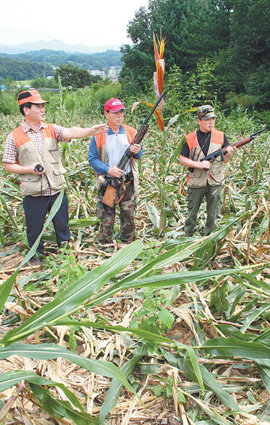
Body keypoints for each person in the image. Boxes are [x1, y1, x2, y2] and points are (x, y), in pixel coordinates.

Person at [2, 89, 108, 260]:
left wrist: (90, 131)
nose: (43, 109)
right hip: (34, 193)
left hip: (56, 190)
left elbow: (70, 132)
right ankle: (37, 259)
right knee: (34, 230)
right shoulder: (14, 136)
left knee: (62, 227)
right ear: (26, 110)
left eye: (43, 106)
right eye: (38, 106)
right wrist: (29, 168)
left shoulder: (51, 129)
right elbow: (8, 165)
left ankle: (65, 257)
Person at [88, 97, 143, 249]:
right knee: (106, 216)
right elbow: (92, 159)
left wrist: (137, 151)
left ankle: (127, 244)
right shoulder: (99, 134)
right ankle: (105, 245)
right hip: (109, 181)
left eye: (122, 112)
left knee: (129, 215)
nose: (120, 116)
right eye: (115, 113)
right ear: (106, 114)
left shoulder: (131, 132)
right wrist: (108, 169)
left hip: (128, 181)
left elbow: (139, 154)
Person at [180, 104, 236, 236]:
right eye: (207, 119)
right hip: (196, 181)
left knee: (213, 213)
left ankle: (210, 236)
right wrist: (199, 165)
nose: (211, 122)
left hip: (215, 180)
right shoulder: (190, 138)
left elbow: (225, 160)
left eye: (213, 119)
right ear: (199, 121)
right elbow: (182, 159)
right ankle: (189, 236)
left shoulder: (221, 136)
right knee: (192, 212)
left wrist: (229, 154)